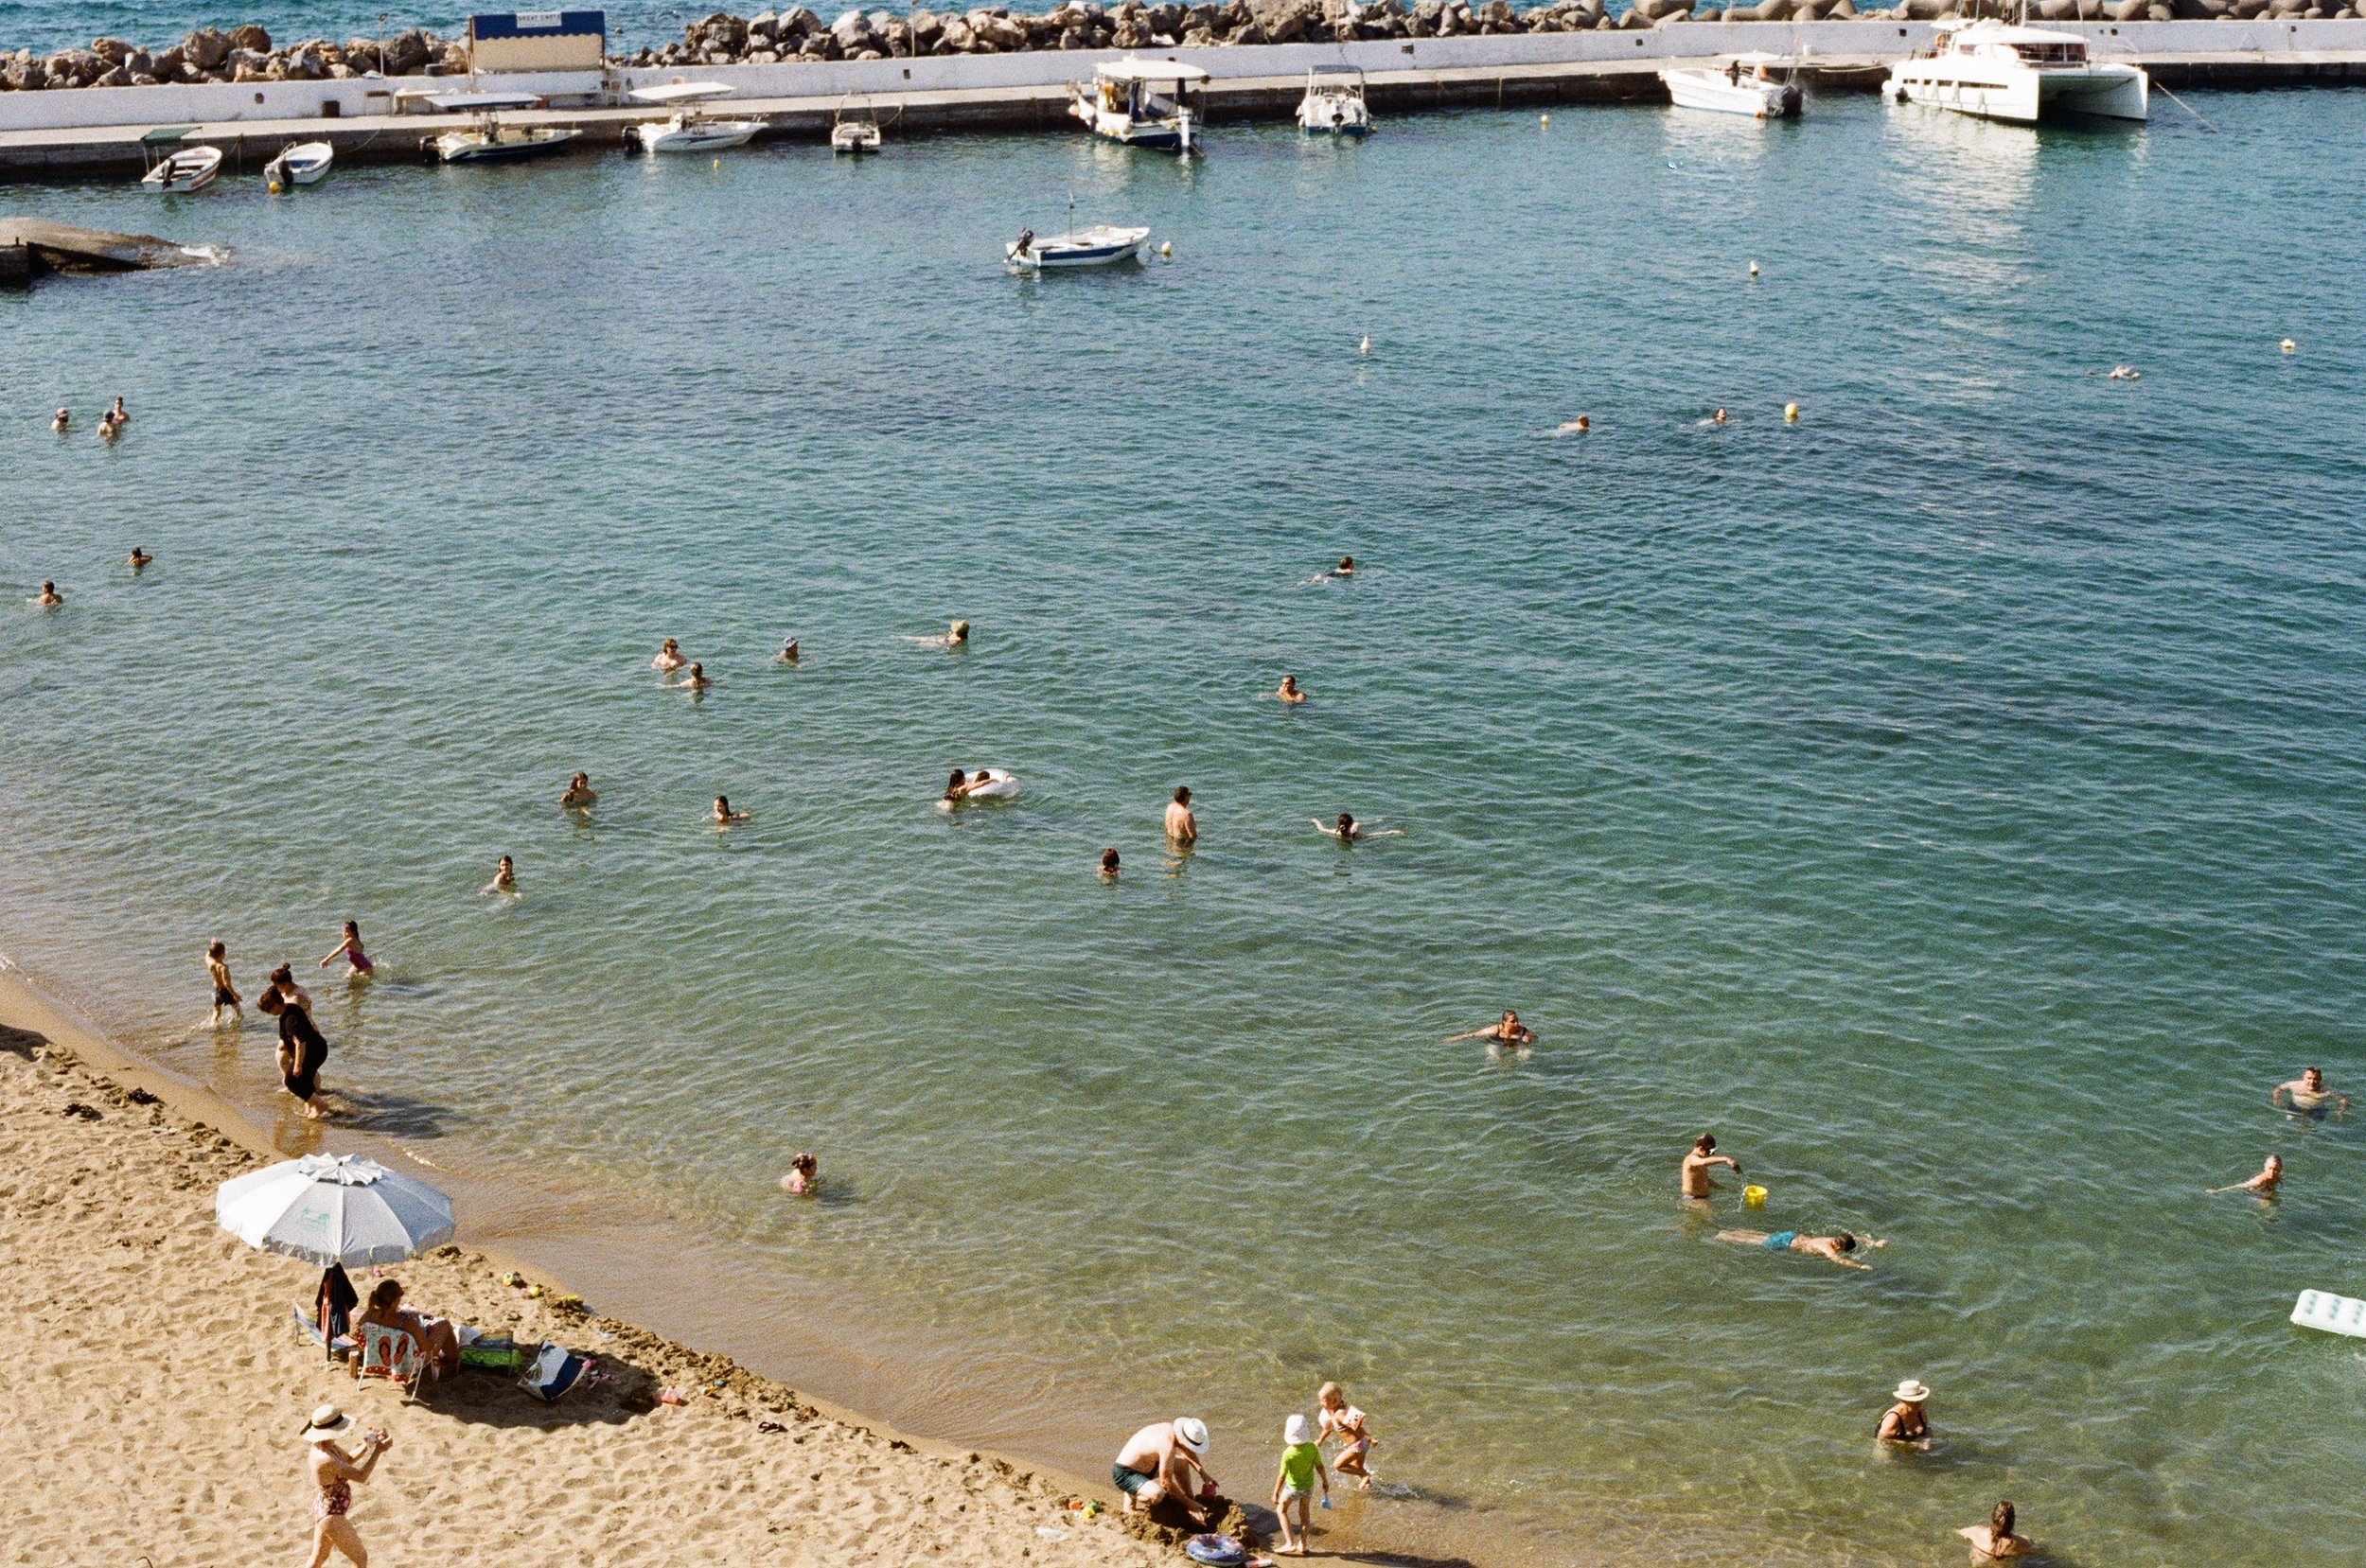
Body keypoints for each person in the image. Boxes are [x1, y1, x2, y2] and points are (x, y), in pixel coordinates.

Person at [300, 1402, 389, 1568]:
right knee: (360, 1558)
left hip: (324, 1508)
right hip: (331, 1515)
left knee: (317, 1559)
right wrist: (378, 1452)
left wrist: (367, 1445)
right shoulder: (325, 1458)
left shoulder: (325, 1445)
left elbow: (347, 1460)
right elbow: (361, 1476)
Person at [258, 966, 330, 1119]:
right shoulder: (290, 1007)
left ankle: (321, 1105)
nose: (270, 1014)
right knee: (304, 1079)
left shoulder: (290, 1019)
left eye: (270, 1010)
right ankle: (311, 1104)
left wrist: (297, 1065)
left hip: (312, 1050)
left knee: (291, 1081)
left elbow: (300, 1043)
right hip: (317, 1046)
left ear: (277, 1005)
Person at [1112, 1418, 1214, 1524]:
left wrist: (1203, 1473)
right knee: (1157, 1495)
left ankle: (1190, 1498)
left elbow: (1185, 1450)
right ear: (1182, 1438)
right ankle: (1131, 1492)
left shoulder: (1170, 1429)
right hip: (1126, 1473)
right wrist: (1189, 1504)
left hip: (1148, 1466)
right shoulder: (1166, 1444)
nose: (1189, 1448)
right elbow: (1166, 1482)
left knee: (1182, 1463)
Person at [356, 1277, 461, 1380]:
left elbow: (361, 1337)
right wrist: (433, 1337)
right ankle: (453, 1362)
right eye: (398, 1299)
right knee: (444, 1325)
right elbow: (427, 1348)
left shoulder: (367, 1316)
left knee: (436, 1328)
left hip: (378, 1358)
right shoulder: (406, 1323)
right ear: (393, 1303)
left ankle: (451, 1360)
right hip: (406, 1363)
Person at [1270, 1413, 1329, 1556]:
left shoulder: (1288, 1453)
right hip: (1308, 1488)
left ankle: (1290, 1543)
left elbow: (1282, 1475)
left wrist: (1276, 1492)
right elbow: (1320, 1467)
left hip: (1292, 1488)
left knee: (1281, 1510)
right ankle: (1303, 1544)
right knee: (1304, 1515)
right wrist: (1325, 1481)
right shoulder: (1312, 1448)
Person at [1716, 1227, 1886, 1271]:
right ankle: (1723, 1236)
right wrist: (1860, 1266)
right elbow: (1838, 1260)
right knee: (1754, 1242)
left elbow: (1856, 1237)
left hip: (1792, 1235)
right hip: (1786, 1244)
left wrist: (1874, 1243)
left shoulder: (1833, 1239)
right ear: (1838, 1246)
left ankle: (1729, 1232)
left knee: (1757, 1236)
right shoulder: (1829, 1248)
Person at [1316, 1383, 1374, 1490]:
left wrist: (1370, 1438)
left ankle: (1366, 1474)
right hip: (1361, 1444)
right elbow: (1328, 1428)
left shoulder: (1340, 1414)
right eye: (1320, 1400)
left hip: (1357, 1446)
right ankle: (1371, 1490)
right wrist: (1321, 1439)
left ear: (1335, 1400)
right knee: (1357, 1469)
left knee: (1338, 1465)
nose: (1321, 1404)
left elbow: (1355, 1426)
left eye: (1324, 1401)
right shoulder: (1334, 1412)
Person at [1958, 1499, 2034, 1559]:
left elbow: (1957, 1532)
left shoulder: (1975, 1531)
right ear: (2013, 1520)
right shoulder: (2023, 1543)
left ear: (1993, 1516)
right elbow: (2038, 1552)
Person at [1681, 1133, 1741, 1200]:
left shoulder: (1700, 1159)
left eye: (1713, 1152)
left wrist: (1725, 1189)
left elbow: (1705, 1179)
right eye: (1710, 1152)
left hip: (1701, 1197)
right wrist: (1725, 1159)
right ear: (1701, 1149)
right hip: (1693, 1198)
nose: (1711, 1155)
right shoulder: (1690, 1159)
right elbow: (1703, 1163)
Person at [2271, 1067, 2347, 1115]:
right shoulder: (2294, 1085)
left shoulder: (2326, 1091)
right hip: (2295, 1107)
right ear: (2303, 1077)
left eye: (2315, 1079)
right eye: (2309, 1078)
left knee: (2311, 1131)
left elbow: (2343, 1100)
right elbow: (2278, 1089)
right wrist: (2276, 1099)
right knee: (2288, 1124)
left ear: (2320, 1079)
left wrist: (2340, 1112)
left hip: (2317, 1110)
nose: (2312, 1082)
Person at [1877, 1380, 1932, 1445]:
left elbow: (1928, 1430)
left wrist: (1927, 1441)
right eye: (1913, 1401)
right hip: (1886, 1446)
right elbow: (1882, 1439)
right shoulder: (1893, 1418)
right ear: (1903, 1400)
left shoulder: (1921, 1413)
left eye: (1920, 1400)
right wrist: (1914, 1445)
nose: (1918, 1403)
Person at [1446, 1010, 1536, 1049]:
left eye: (1517, 1020)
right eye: (1513, 1021)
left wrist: (1529, 1037)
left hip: (1515, 1044)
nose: (1516, 1023)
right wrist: (1455, 1039)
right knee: (1494, 1057)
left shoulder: (1522, 1030)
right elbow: (1473, 1034)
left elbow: (1534, 1037)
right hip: (1495, 1042)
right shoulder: (1495, 1029)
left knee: (1526, 1055)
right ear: (1504, 1022)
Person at [2208, 1154, 2282, 1197]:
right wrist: (2217, 1191)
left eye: (2275, 1169)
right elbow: (2240, 1186)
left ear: (2280, 1169)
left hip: (2267, 1188)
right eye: (2270, 1168)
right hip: (2253, 1193)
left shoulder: (2278, 1176)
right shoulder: (2259, 1180)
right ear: (2265, 1167)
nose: (2272, 1172)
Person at [206, 940, 241, 1027]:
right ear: (222, 954)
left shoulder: (210, 963)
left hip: (216, 990)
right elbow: (227, 984)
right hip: (225, 991)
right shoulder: (223, 968)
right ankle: (239, 1026)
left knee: (217, 1011)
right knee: (238, 1009)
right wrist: (235, 995)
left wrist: (212, 945)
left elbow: (207, 955)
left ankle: (213, 1025)